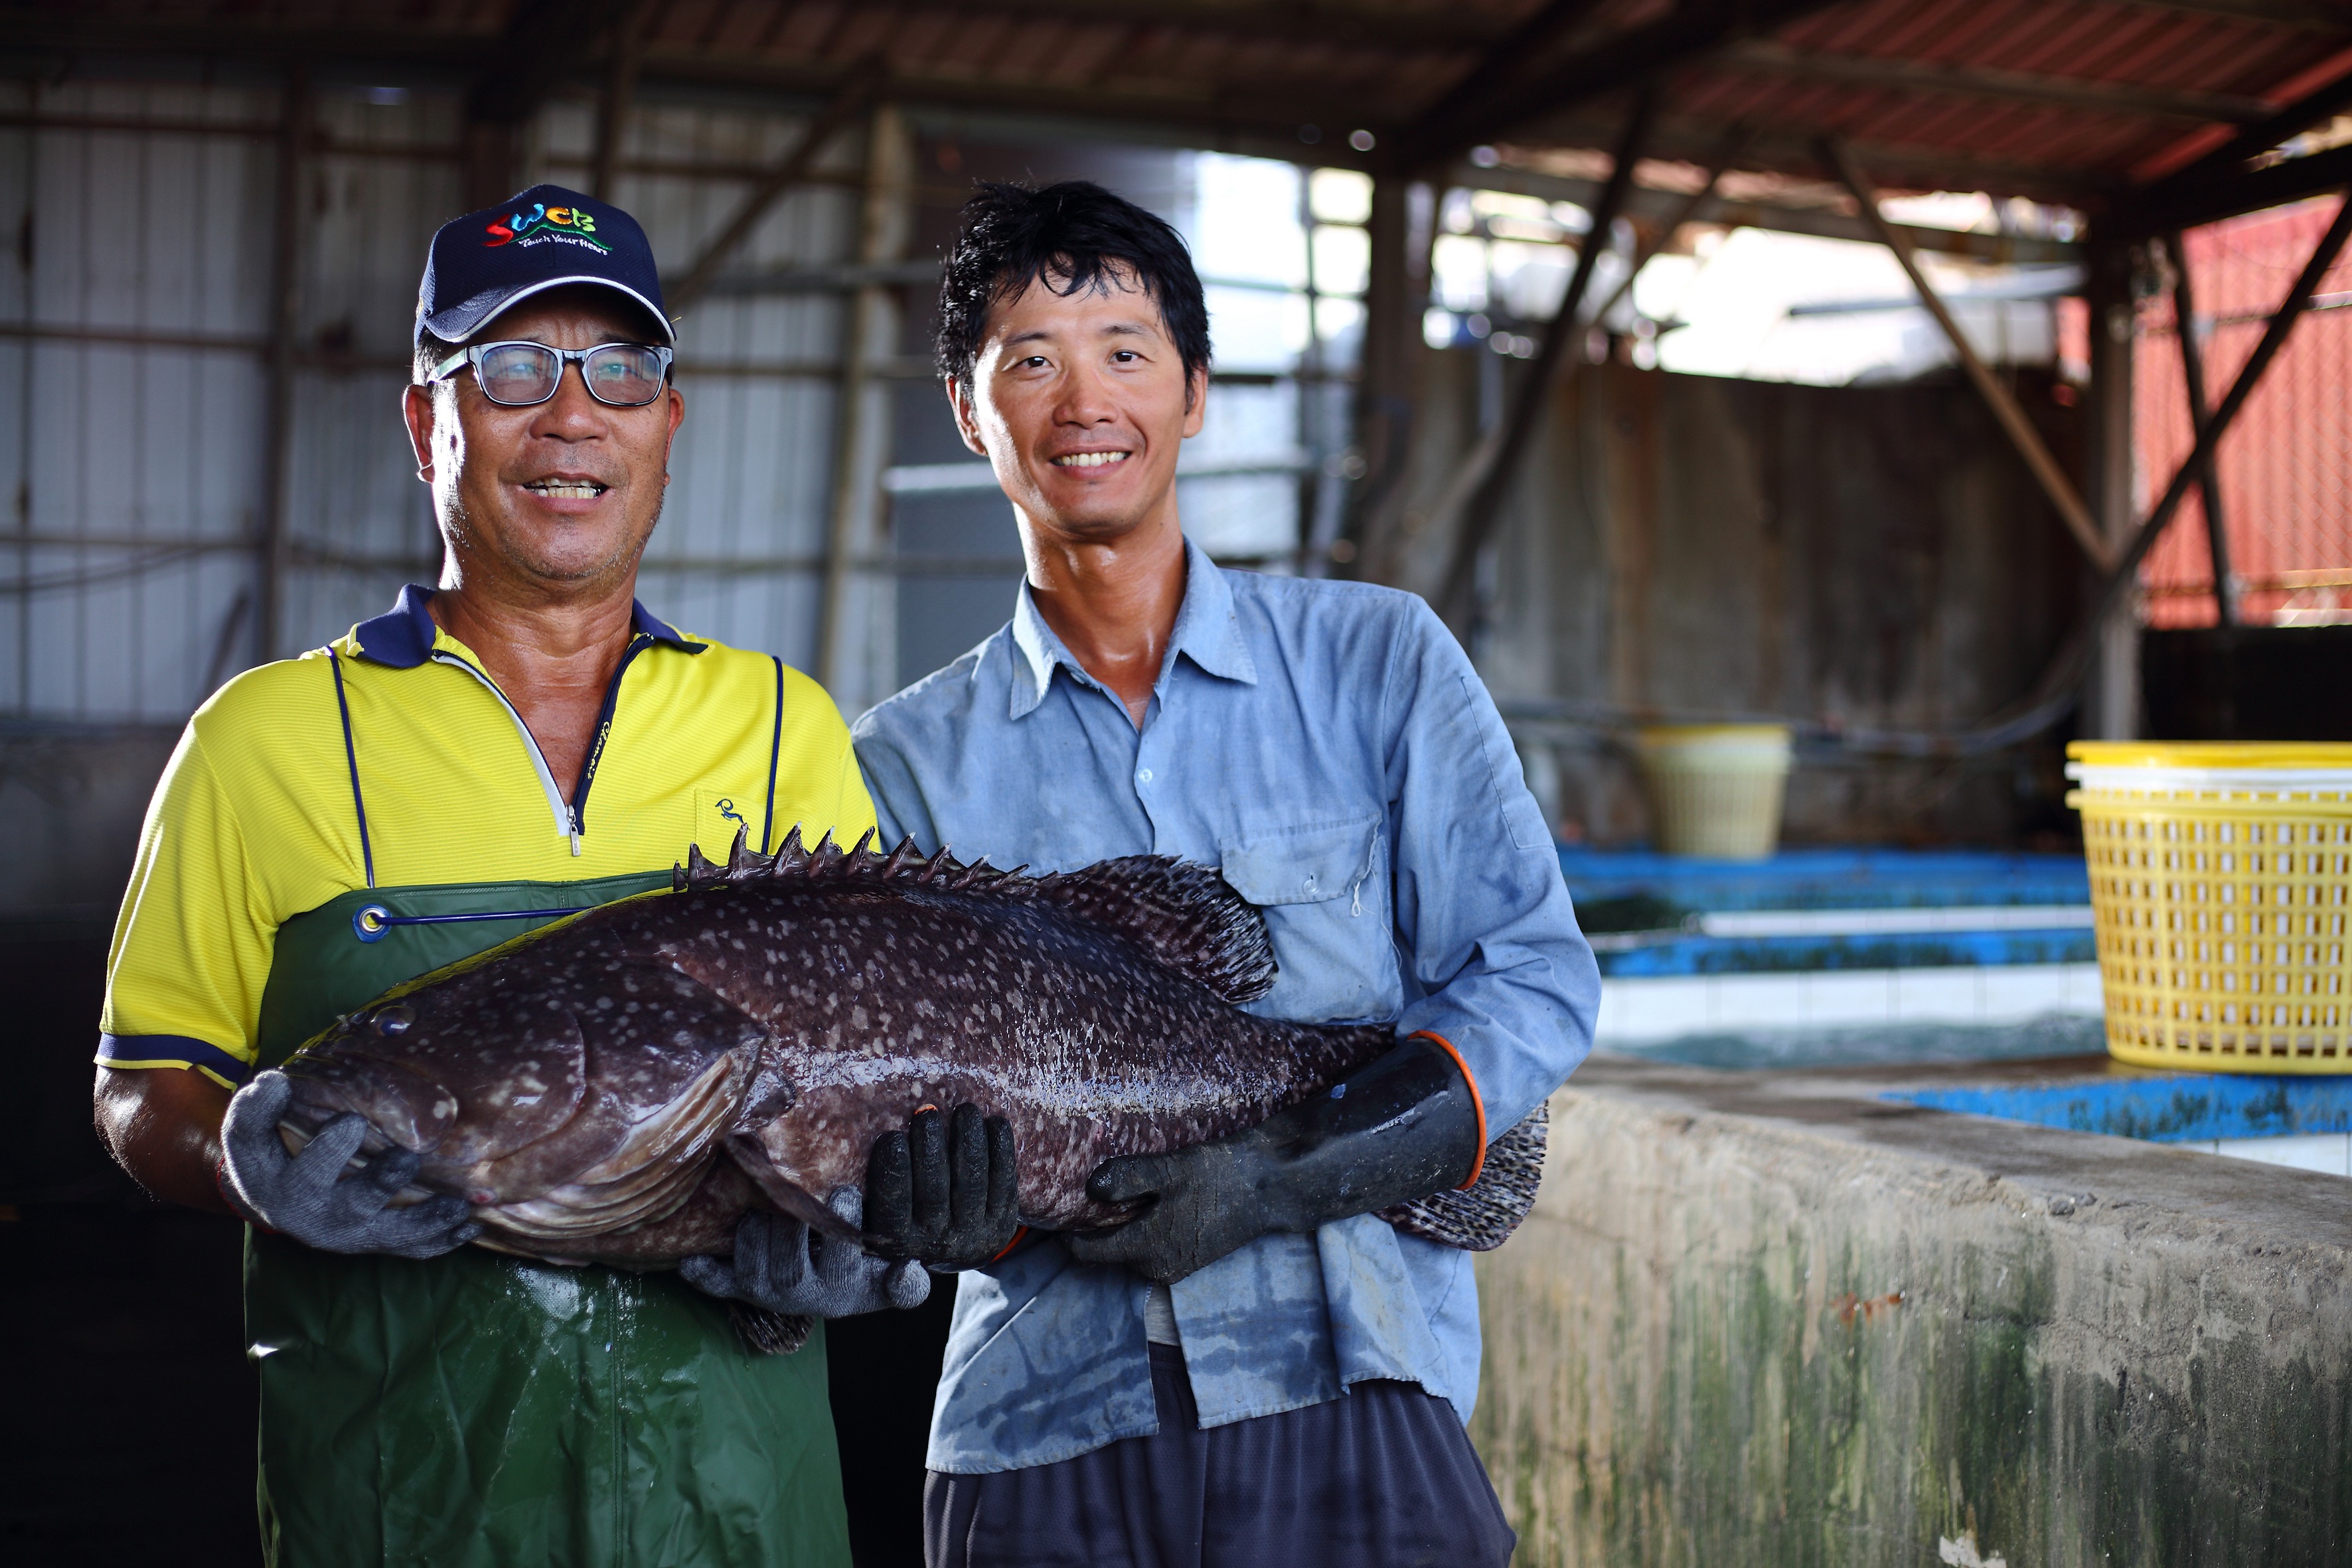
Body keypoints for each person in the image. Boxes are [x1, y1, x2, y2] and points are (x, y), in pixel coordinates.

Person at [90, 184, 1005, 1567]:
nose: (570, 414)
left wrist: (865, 1229)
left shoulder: (781, 728)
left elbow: (881, 1086)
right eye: (511, 366)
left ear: (666, 428)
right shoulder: (264, 741)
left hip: (740, 1516)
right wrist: (244, 1157)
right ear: (426, 421)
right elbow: (138, 1083)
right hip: (398, 1512)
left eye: (618, 369)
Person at [852, 180, 1600, 1568]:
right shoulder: (899, 763)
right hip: (1038, 1428)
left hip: (1353, 1387)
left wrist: (1274, 1175)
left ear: (1192, 392)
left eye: (1125, 352)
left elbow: (1531, 979)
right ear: (969, 411)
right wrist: (912, 1212)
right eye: (1031, 359)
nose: (1084, 401)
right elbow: (865, 1116)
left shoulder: (1379, 662)